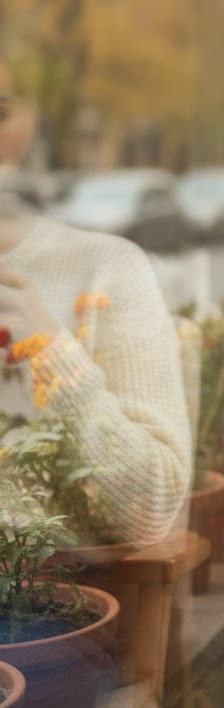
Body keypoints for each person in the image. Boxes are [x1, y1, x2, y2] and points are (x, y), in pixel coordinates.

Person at [0, 61, 192, 547]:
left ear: (23, 126)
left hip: (41, 611)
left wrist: (50, 354)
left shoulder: (106, 270)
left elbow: (153, 509)